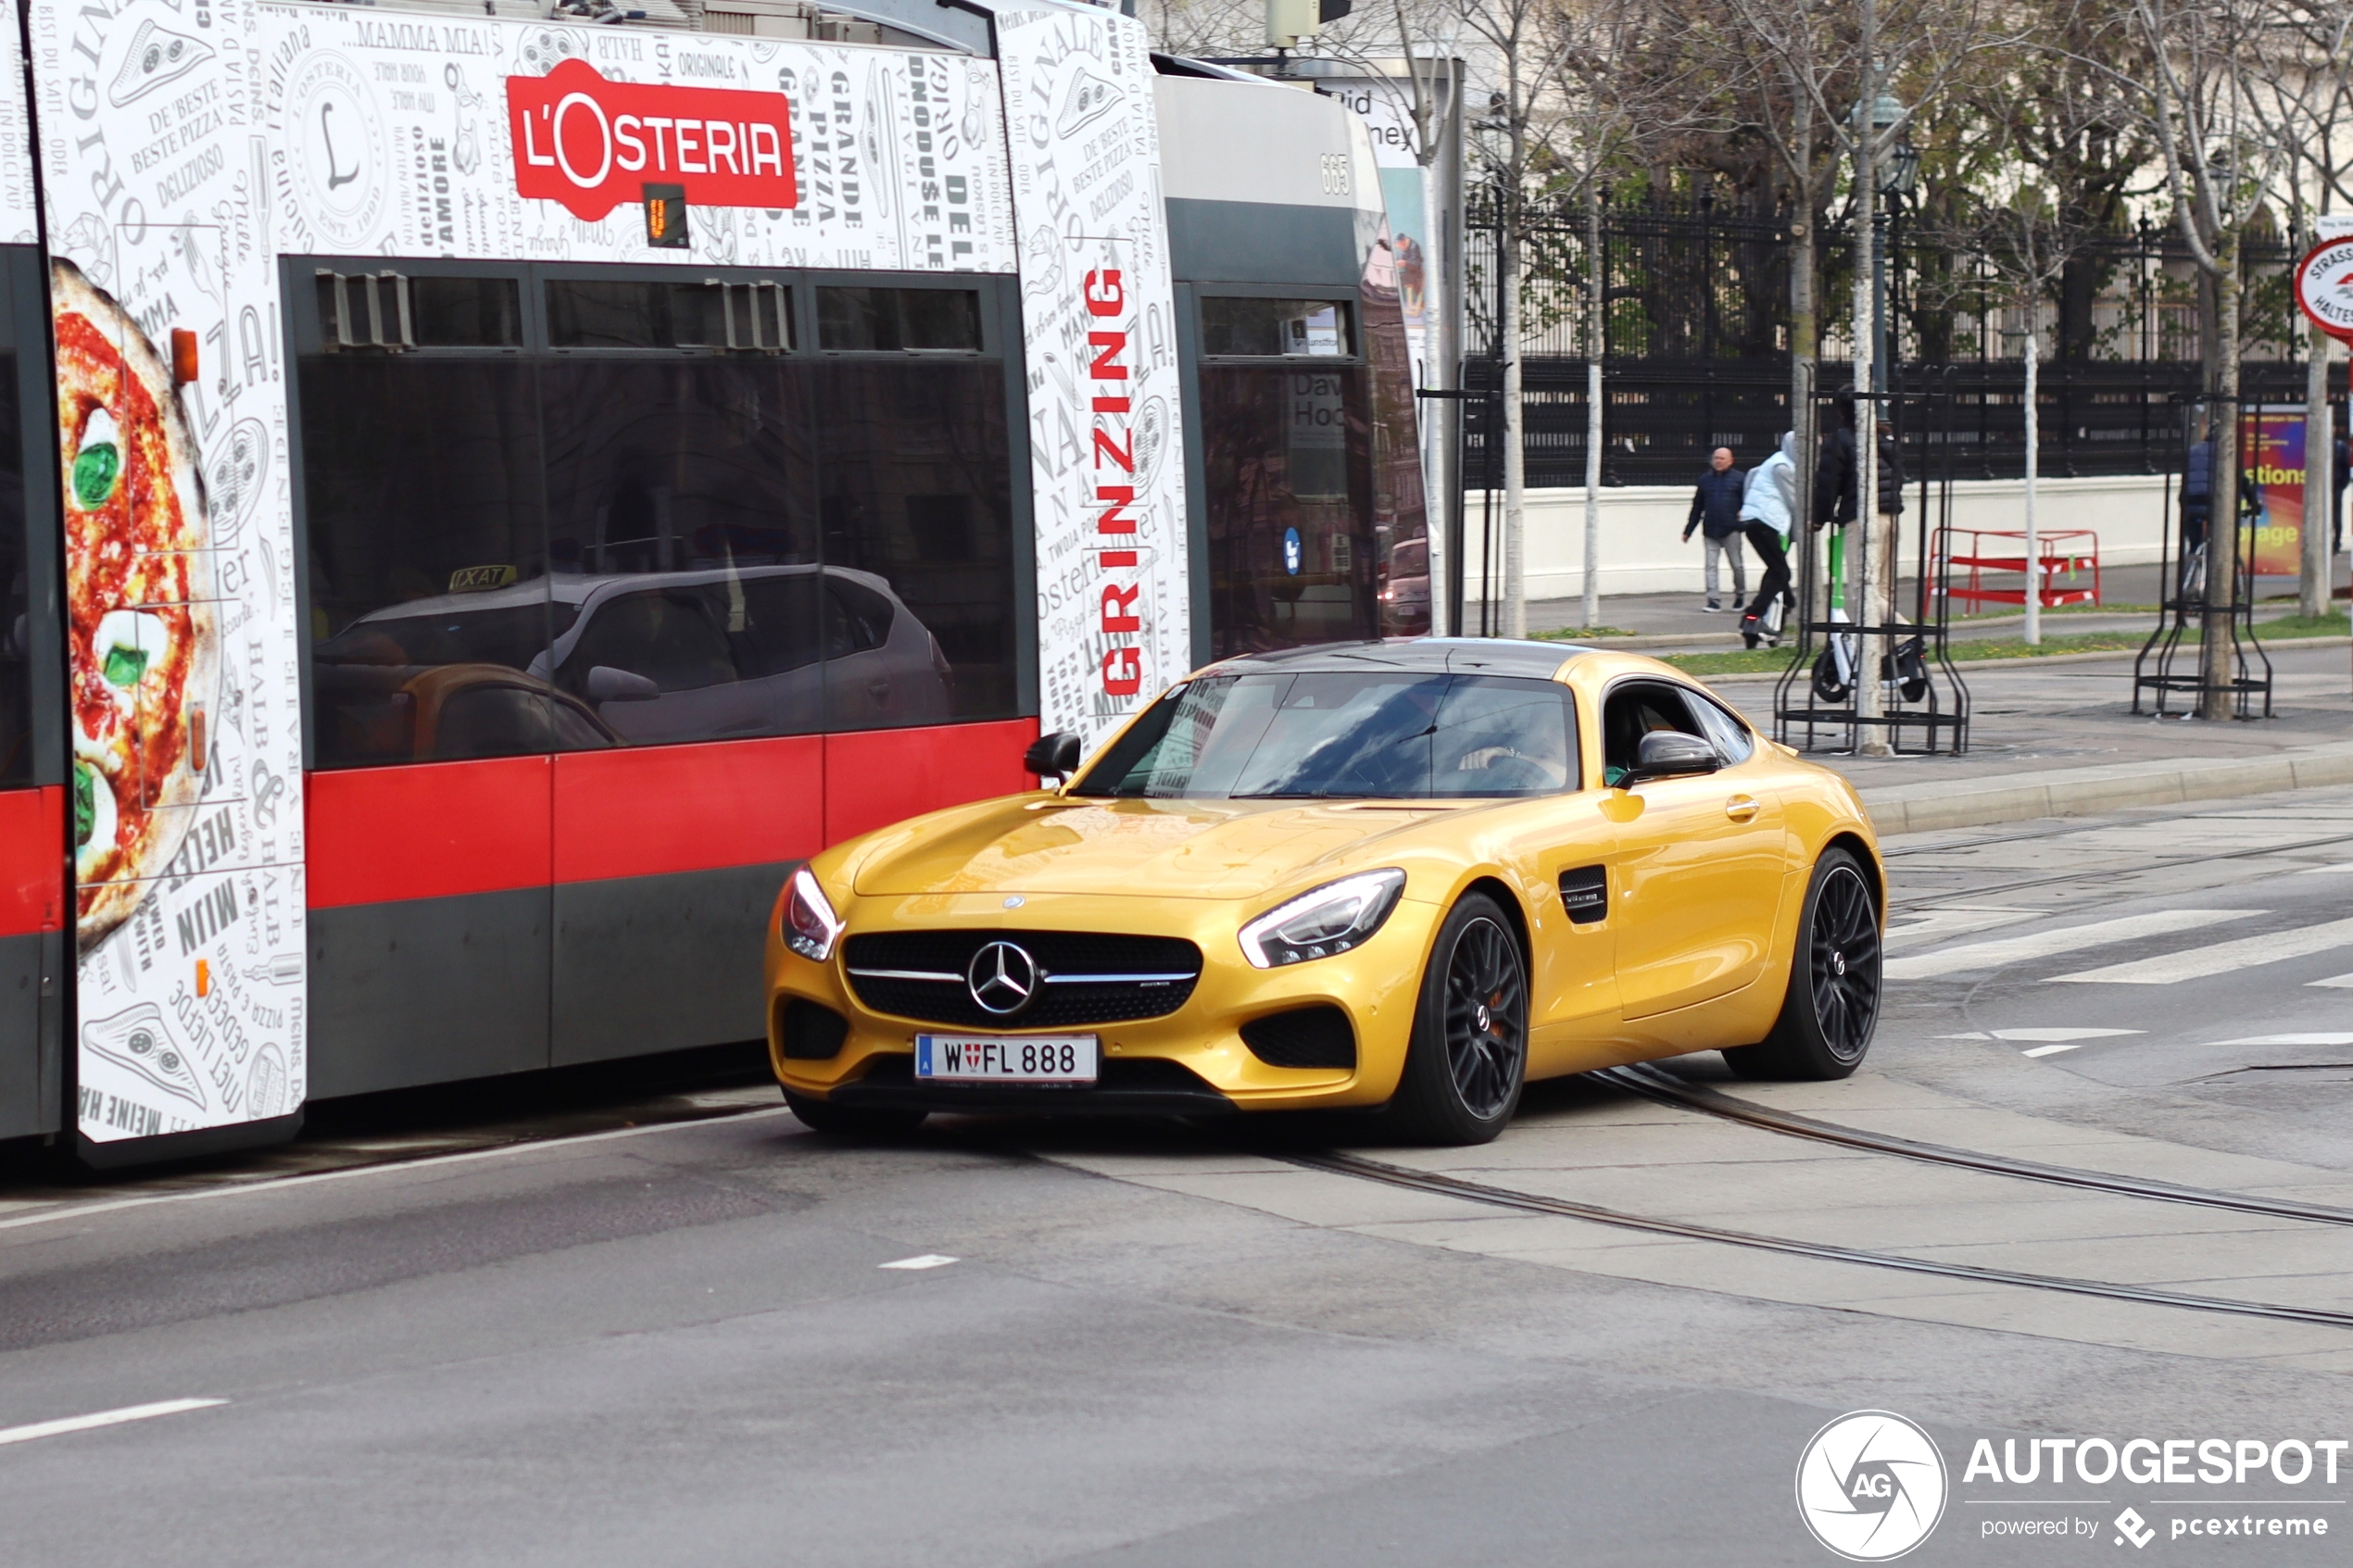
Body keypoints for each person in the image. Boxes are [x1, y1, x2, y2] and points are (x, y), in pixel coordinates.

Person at [1737, 432, 1797, 648]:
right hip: (1766, 523)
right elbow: (1795, 501)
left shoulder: (1773, 461)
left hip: (1755, 522)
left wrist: (1746, 508)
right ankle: (1752, 616)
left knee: (1776, 570)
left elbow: (1751, 475)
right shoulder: (1784, 467)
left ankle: (1784, 605)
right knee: (1781, 571)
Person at [1682, 446, 1746, 610]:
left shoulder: (1740, 479)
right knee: (1711, 566)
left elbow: (1748, 504)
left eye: (1722, 458)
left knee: (1737, 565)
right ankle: (1713, 600)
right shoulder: (1705, 480)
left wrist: (1742, 523)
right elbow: (1697, 507)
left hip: (1732, 529)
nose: (1718, 461)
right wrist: (1688, 530)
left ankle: (1740, 595)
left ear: (1731, 461)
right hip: (1710, 529)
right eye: (1716, 458)